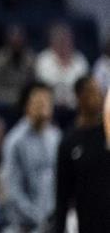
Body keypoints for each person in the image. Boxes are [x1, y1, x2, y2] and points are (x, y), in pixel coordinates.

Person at [0, 82, 61, 232]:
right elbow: (12, 191)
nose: (43, 105)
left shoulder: (57, 138)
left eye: (47, 101)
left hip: (53, 223)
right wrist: (38, 217)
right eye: (38, 101)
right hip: (24, 226)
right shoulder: (14, 141)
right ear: (26, 106)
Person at [55, 75, 110, 233]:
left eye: (99, 91)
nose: (98, 96)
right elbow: (62, 193)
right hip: (86, 219)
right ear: (79, 97)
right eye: (92, 91)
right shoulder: (69, 141)